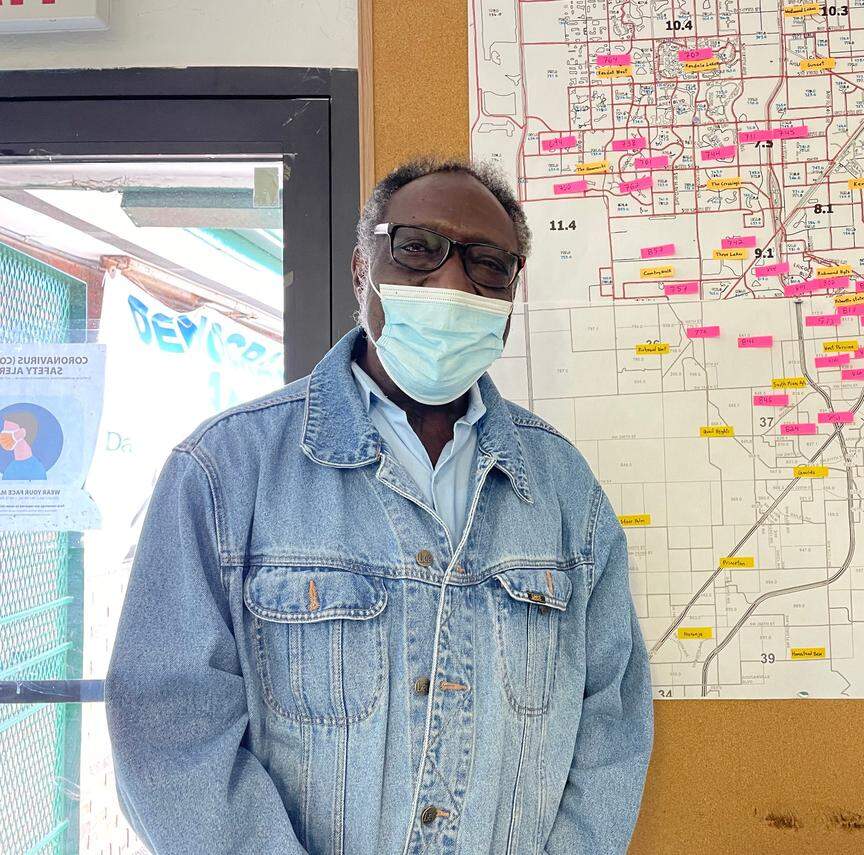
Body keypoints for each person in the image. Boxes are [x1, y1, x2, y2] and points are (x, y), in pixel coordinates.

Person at [105, 157, 655, 855]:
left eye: (488, 264)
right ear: (362, 270)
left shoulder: (566, 491)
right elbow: (169, 734)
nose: (453, 282)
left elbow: (611, 724)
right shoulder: (223, 472)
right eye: (418, 249)